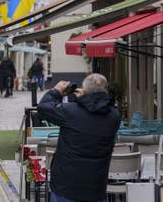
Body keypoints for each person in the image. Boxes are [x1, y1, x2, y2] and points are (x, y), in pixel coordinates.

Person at [37, 73, 121, 202]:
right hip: (96, 186)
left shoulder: (70, 112)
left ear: (85, 89)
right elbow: (94, 112)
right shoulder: (114, 116)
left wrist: (56, 92)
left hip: (66, 185)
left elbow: (43, 108)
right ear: (105, 90)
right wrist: (86, 99)